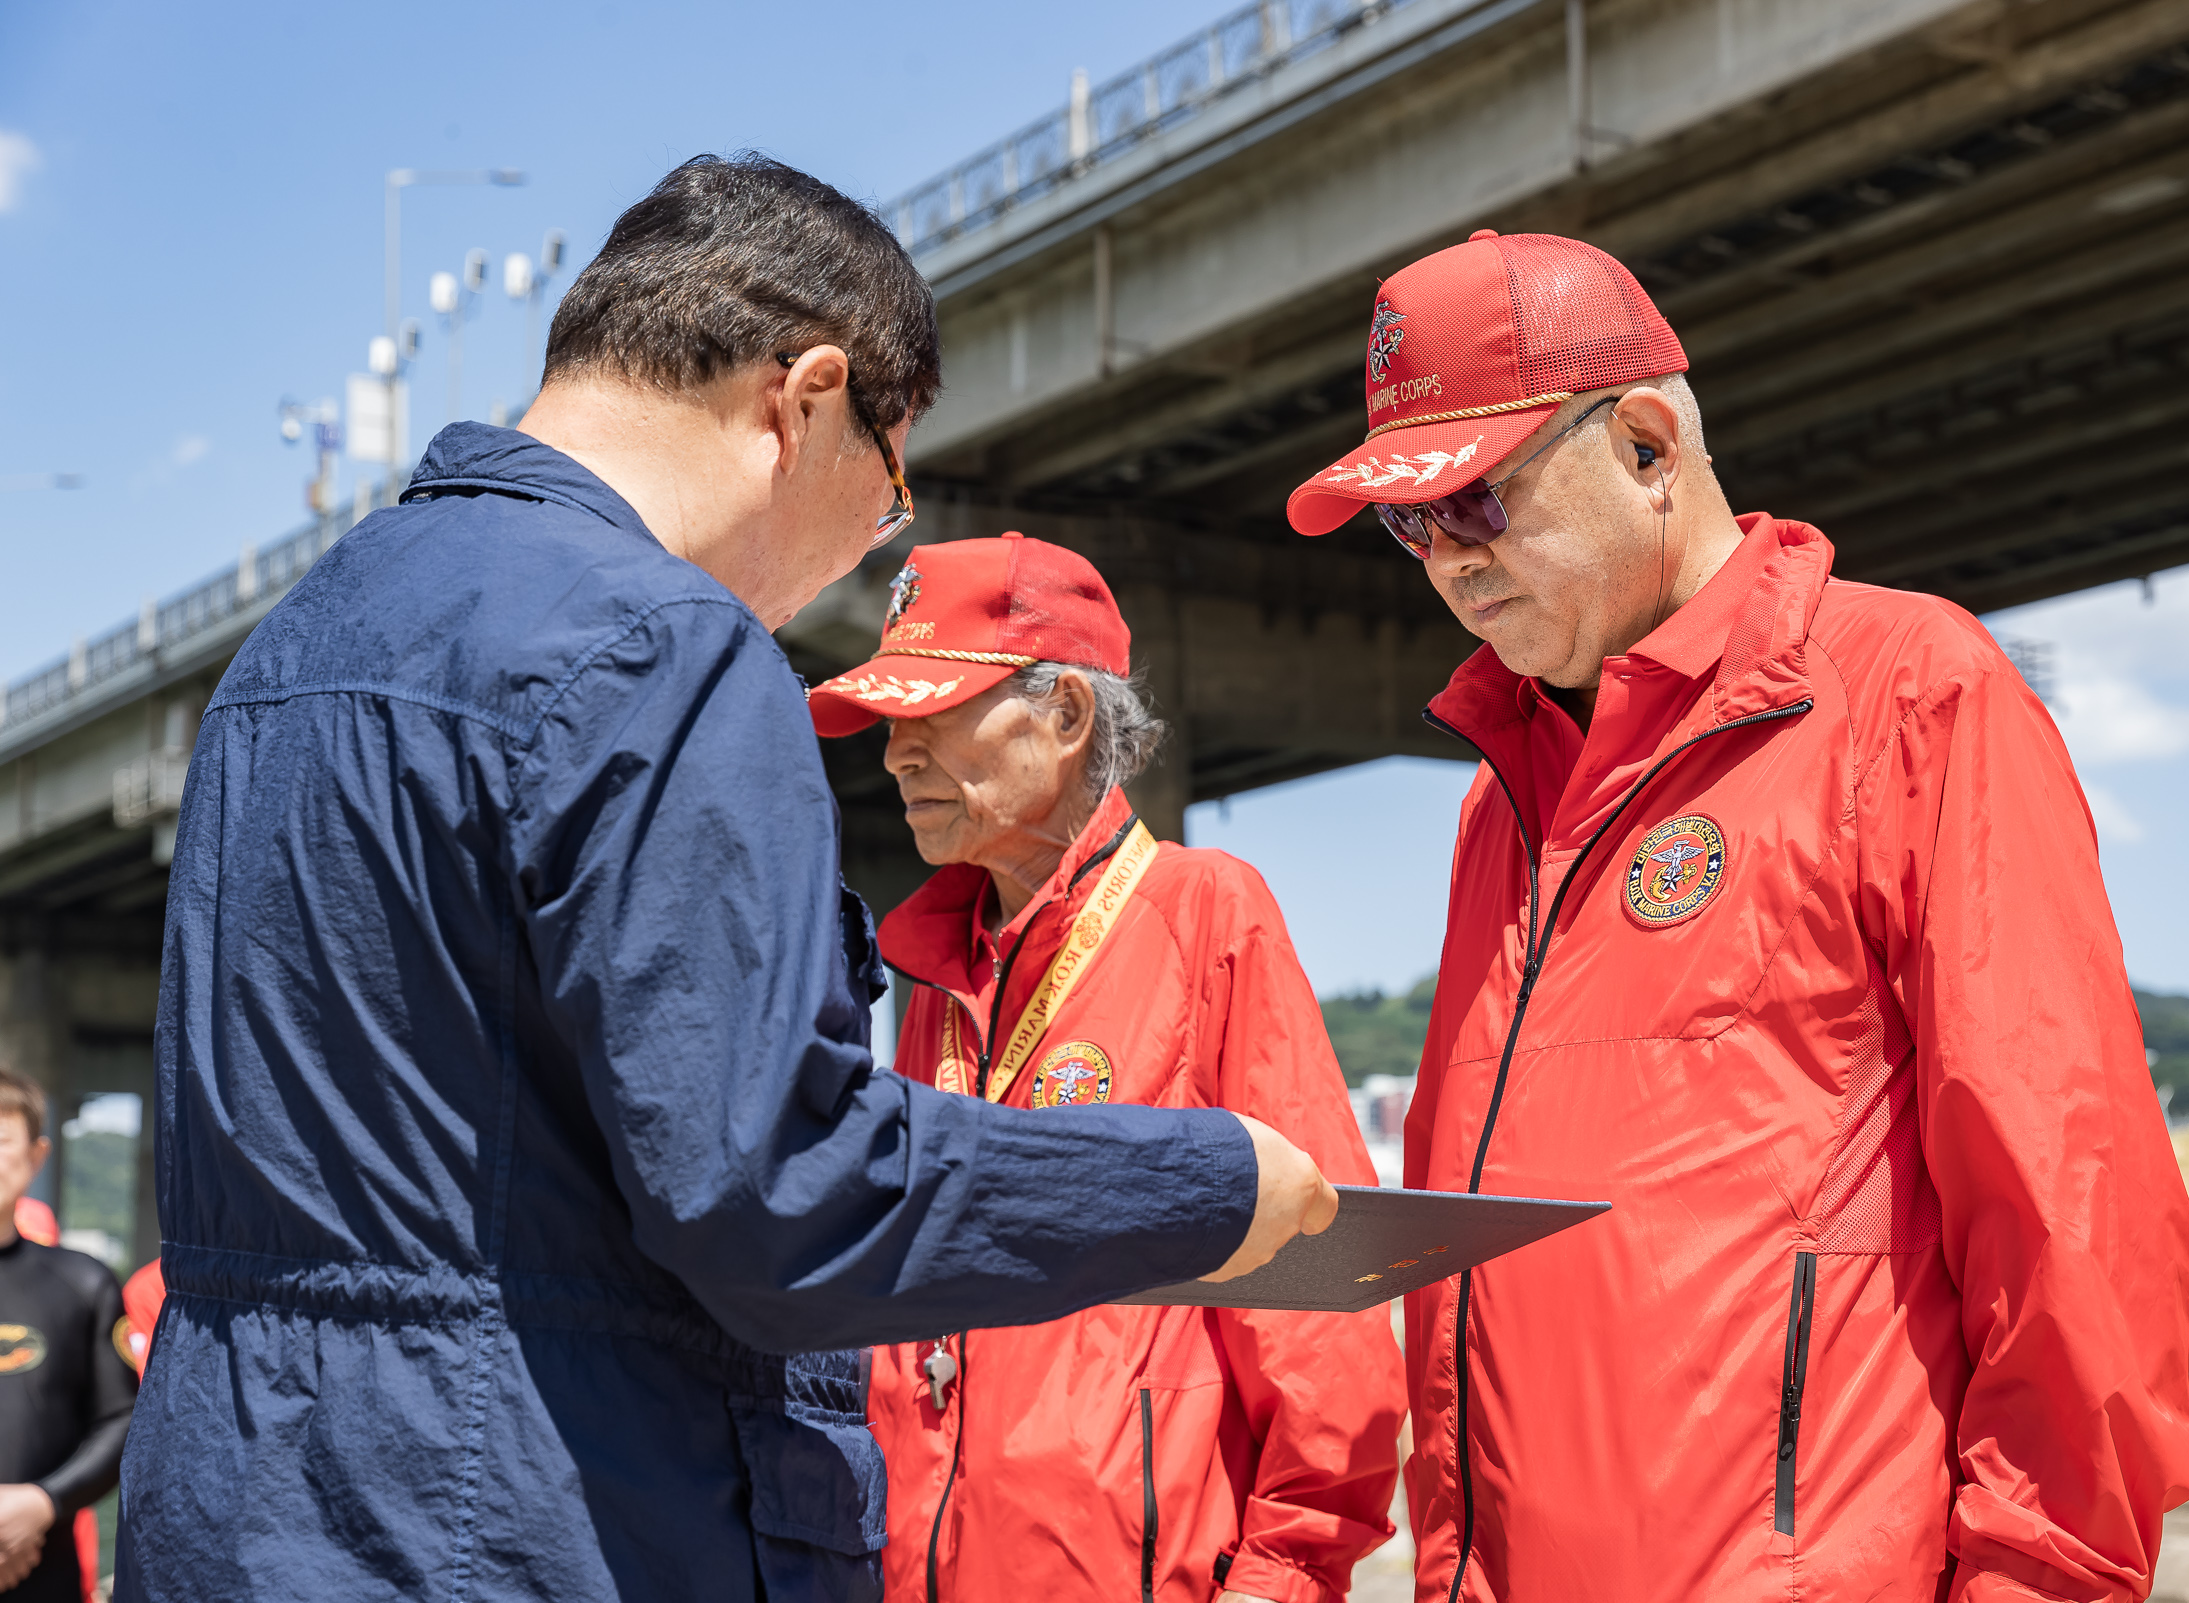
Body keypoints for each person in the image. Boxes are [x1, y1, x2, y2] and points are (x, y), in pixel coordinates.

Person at [117, 155, 1336, 1603]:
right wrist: (1204, 1180)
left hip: (244, 1511)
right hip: (540, 1521)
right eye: (886, 495)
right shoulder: (656, 644)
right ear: (803, 398)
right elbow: (783, 1190)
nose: (854, 557)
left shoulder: (298, 643)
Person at [1284, 230, 2189, 1601]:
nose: (1447, 563)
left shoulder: (1908, 691)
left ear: (1649, 441)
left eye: (1474, 502)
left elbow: (2066, 1196)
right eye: (1407, 524)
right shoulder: (1506, 793)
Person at [810, 535, 1406, 1603]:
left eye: (934, 712)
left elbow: (1321, 1279)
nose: (897, 752)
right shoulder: (934, 971)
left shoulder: (1201, 912)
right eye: (891, 720)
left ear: (1068, 715)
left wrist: (1284, 1573)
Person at [0, 1071, 136, 1603]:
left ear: (37, 1156)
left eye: (1, 1139)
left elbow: (122, 1419)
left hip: (42, 1571)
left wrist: (40, 1504)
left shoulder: (85, 1285)